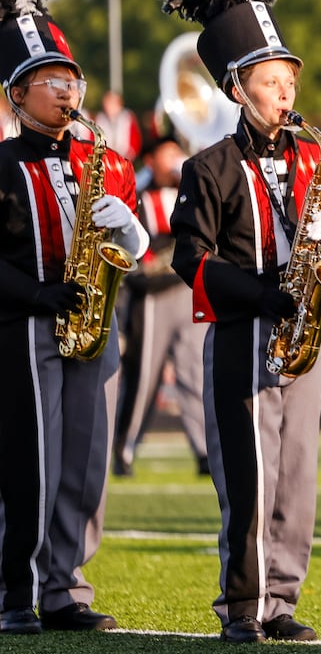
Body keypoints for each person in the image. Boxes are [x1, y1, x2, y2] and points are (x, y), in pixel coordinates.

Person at [156, 0, 321, 644]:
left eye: (289, 82)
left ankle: (283, 600)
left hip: (302, 334)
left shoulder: (318, 156)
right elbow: (190, 256)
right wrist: (260, 295)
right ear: (238, 88)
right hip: (245, 332)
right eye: (271, 82)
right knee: (250, 478)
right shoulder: (209, 167)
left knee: (299, 475)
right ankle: (242, 606)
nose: (286, 94)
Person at [0, 0, 147, 634]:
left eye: (71, 79)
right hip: (27, 326)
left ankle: (65, 587)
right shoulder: (2, 166)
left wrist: (129, 231)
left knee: (85, 462)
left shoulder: (100, 157)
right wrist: (38, 292)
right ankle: (14, 592)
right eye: (52, 82)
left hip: (92, 320)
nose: (67, 91)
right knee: (31, 462)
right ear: (17, 94)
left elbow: (138, 244)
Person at [114, 130, 209, 477]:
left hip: (186, 289)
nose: (174, 161)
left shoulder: (192, 190)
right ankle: (124, 449)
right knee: (143, 376)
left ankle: (204, 451)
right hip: (152, 294)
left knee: (195, 374)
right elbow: (137, 245)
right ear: (151, 161)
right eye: (167, 155)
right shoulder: (139, 194)